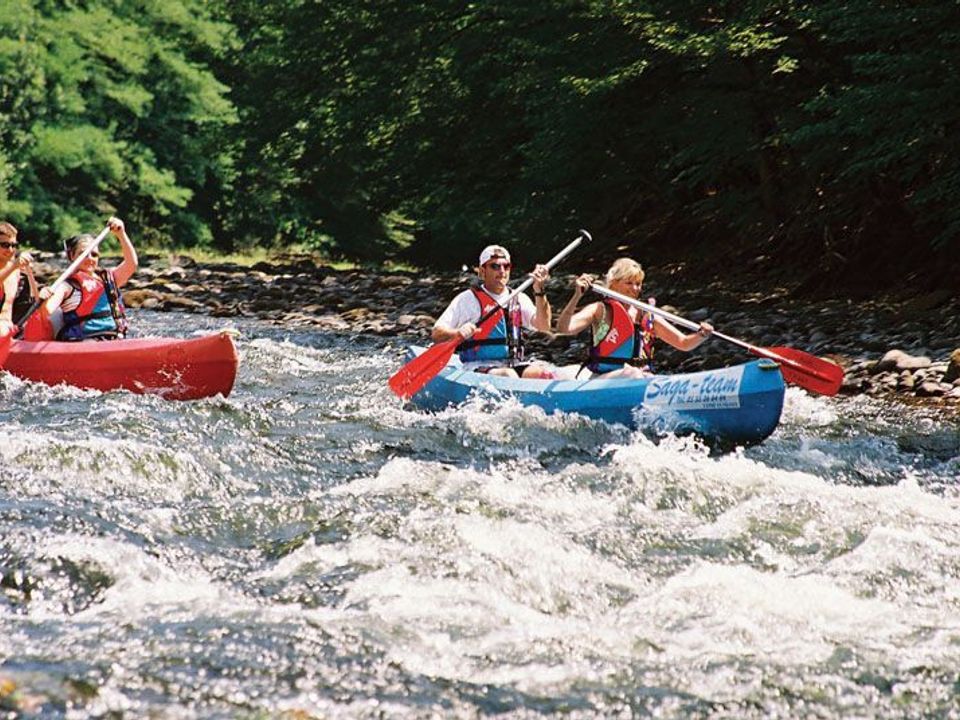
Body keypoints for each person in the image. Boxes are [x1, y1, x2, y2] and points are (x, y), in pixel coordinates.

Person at [556, 257, 713, 379]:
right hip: (602, 378)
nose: (635, 288)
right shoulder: (600, 310)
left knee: (639, 375)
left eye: (638, 283)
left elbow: (683, 343)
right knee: (633, 374)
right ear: (614, 284)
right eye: (629, 283)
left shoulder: (646, 314)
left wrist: (701, 335)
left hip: (639, 377)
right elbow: (564, 328)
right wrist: (577, 296)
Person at [432, 244, 555, 378]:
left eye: (506, 266)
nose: (502, 271)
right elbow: (436, 333)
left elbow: (544, 326)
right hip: (477, 366)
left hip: (513, 364)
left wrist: (539, 290)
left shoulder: (519, 298)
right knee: (508, 375)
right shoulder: (467, 299)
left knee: (544, 374)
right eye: (495, 266)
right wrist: (458, 332)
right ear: (482, 271)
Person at [41, 216, 138, 341]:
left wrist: (121, 234)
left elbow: (131, 264)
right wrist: (44, 298)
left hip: (113, 337)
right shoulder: (66, 286)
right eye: (83, 254)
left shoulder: (108, 279)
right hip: (84, 341)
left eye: (94, 254)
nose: (90, 258)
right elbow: (48, 310)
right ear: (72, 256)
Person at [0, 222, 38, 337]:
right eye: (5, 245)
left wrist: (29, 272)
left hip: (9, 329)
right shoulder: (13, 268)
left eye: (13, 245)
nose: (11, 250)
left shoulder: (15, 271)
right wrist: (14, 266)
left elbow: (36, 299)